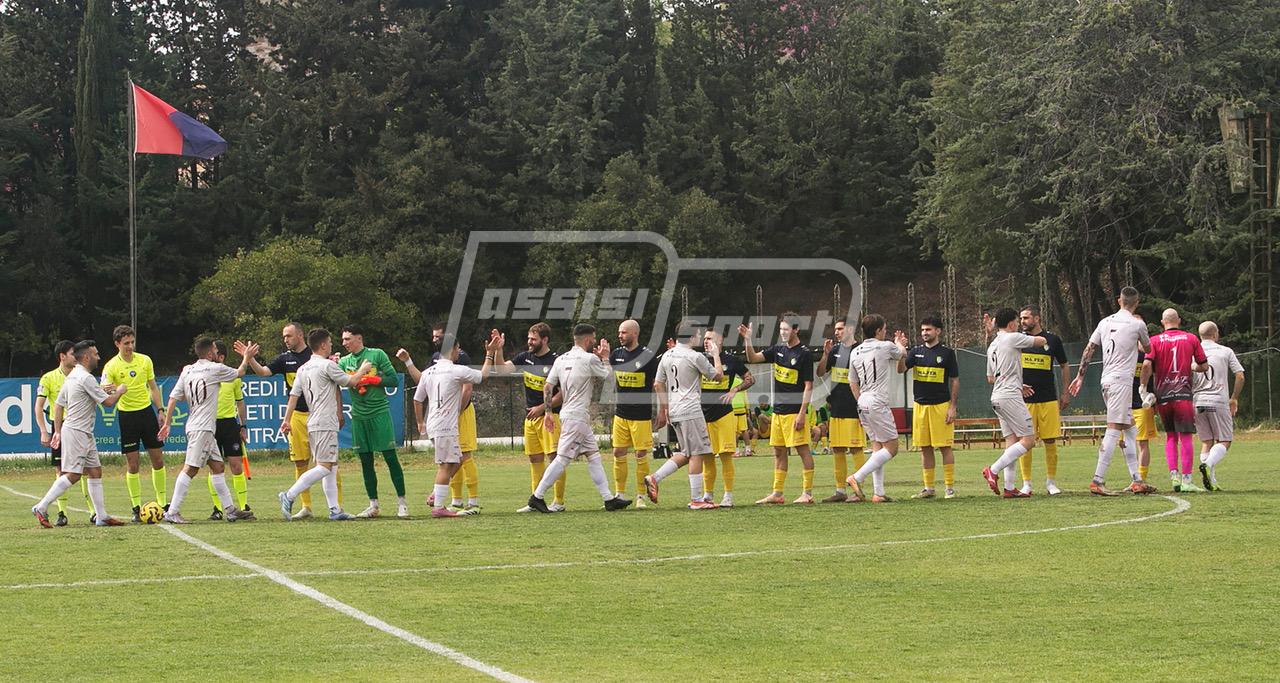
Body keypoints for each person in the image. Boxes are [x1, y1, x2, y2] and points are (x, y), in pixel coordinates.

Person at [524, 324, 632, 513]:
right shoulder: (589, 358)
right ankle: (537, 496)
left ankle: (608, 499)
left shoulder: (562, 358)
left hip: (569, 414)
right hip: (577, 417)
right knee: (562, 459)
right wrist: (606, 358)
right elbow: (609, 378)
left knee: (594, 456)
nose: (595, 342)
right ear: (588, 340)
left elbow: (547, 387)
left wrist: (548, 412)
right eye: (594, 339)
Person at [244, 322, 344, 519]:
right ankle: (306, 507)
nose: (285, 340)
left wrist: (339, 412)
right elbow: (264, 373)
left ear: (300, 335)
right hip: (298, 416)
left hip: (319, 414)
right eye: (284, 337)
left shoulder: (317, 357)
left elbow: (336, 387)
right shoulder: (285, 359)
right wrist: (250, 359)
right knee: (302, 463)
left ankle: (336, 507)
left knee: (329, 464)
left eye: (288, 336)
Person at [277, 328, 375, 521]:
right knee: (324, 466)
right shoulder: (326, 366)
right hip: (324, 422)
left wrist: (286, 419)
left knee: (332, 465)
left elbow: (293, 397)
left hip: (314, 421)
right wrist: (363, 369)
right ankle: (288, 495)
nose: (332, 345)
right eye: (330, 343)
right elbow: (351, 382)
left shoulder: (303, 368)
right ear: (322, 345)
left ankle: (335, 510)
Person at [157, 336, 258, 524]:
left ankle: (230, 510)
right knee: (191, 468)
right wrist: (246, 356)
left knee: (218, 467)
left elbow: (172, 398)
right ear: (211, 352)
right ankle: (172, 511)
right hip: (202, 428)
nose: (216, 352)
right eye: (214, 349)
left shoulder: (187, 370)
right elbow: (241, 371)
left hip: (199, 427)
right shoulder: (215, 368)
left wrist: (168, 423)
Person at [1069, 286, 1158, 496]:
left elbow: (1089, 349)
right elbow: (1148, 349)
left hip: (1107, 380)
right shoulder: (1138, 324)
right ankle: (1097, 480)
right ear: (1136, 303)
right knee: (1114, 427)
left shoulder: (1104, 322)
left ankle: (1137, 480)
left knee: (1129, 428)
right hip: (1121, 382)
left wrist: (1080, 376)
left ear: (1119, 301)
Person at [31, 340, 129, 527]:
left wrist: (58, 431)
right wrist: (121, 391)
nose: (98, 357)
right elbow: (108, 403)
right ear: (86, 357)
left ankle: (101, 516)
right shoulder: (85, 377)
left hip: (82, 432)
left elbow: (59, 405)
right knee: (73, 474)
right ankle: (41, 506)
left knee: (94, 471)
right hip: (77, 432)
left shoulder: (74, 375)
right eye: (96, 354)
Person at [414, 332, 502, 517]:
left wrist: (420, 422)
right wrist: (490, 353)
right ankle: (438, 506)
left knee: (456, 459)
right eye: (457, 348)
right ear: (453, 349)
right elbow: (483, 375)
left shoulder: (428, 372)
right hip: (446, 425)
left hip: (434, 424)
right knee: (447, 465)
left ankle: (436, 495)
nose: (458, 351)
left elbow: (417, 399)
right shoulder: (456, 370)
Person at [399, 323, 480, 511]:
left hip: (460, 412)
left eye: (438, 337)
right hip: (445, 418)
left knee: (463, 455)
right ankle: (452, 500)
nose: (435, 340)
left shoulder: (461, 356)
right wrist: (408, 362)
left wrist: (458, 411)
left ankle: (473, 501)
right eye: (434, 337)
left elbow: (467, 387)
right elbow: (423, 381)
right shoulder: (436, 359)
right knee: (451, 459)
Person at [739, 314, 816, 504]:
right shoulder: (778, 349)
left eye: (786, 329)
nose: (782, 332)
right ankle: (778, 493)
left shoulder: (804, 353)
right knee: (779, 452)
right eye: (781, 329)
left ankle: (807, 493)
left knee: (803, 450)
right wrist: (748, 340)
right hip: (778, 412)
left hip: (794, 412)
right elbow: (753, 358)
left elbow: (808, 386)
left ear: (796, 330)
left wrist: (801, 414)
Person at [100, 325, 169, 523]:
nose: (130, 346)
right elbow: (104, 390)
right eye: (126, 343)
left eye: (132, 342)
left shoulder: (145, 360)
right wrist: (111, 390)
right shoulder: (111, 366)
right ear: (117, 344)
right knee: (133, 463)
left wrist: (161, 410)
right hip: (127, 417)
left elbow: (153, 387)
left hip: (147, 413)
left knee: (158, 460)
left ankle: (163, 504)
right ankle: (136, 508)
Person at [495, 322, 567, 512]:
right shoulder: (525, 357)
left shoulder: (555, 361)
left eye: (533, 339)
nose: (530, 342)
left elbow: (562, 394)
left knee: (555, 459)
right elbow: (502, 370)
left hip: (550, 418)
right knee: (535, 459)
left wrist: (542, 408)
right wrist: (498, 350)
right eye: (529, 338)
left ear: (544, 340)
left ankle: (558, 502)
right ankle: (536, 500)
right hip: (531, 418)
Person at [337, 325, 407, 518]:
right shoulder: (344, 362)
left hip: (379, 412)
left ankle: (402, 503)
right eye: (343, 340)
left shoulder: (377, 355)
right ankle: (373, 505)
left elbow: (393, 380)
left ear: (359, 338)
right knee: (365, 461)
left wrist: (374, 380)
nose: (344, 343)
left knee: (390, 457)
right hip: (359, 416)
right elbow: (342, 382)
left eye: (347, 339)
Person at [979, 309, 1048, 497]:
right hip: (1009, 396)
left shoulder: (992, 345)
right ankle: (993, 470)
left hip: (998, 395)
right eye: (1017, 322)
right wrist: (1034, 334)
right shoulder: (1012, 337)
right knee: (1029, 440)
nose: (1019, 325)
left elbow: (991, 378)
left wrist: (1018, 383)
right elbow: (1041, 341)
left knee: (1012, 441)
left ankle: (1009, 488)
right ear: (1010, 324)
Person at [1141, 309, 1209, 492]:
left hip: (1163, 395)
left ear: (1163, 322)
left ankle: (1174, 478)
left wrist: (1143, 387)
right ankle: (1187, 480)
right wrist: (1192, 365)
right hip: (1183, 394)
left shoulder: (1154, 341)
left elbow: (1147, 364)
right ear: (1178, 320)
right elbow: (1204, 365)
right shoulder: (1191, 338)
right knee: (1186, 437)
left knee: (1171, 436)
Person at [845, 315, 907, 503]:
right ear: (878, 330)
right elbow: (902, 353)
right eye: (885, 329)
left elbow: (852, 382)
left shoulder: (855, 352)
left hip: (862, 400)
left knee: (877, 446)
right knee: (892, 447)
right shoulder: (885, 346)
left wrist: (860, 402)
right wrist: (899, 342)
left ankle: (878, 493)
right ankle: (857, 477)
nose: (885, 332)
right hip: (877, 401)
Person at [899, 316, 960, 499]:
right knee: (925, 447)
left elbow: (955, 380)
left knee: (944, 447)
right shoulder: (915, 352)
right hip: (920, 406)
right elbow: (901, 370)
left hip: (941, 406)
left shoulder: (947, 353)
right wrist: (901, 352)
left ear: (938, 331)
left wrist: (952, 406)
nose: (925, 333)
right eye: (923, 330)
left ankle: (949, 488)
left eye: (929, 330)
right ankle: (929, 488)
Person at [1017, 305, 1071, 496]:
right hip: (1024, 400)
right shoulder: (1019, 340)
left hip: (1048, 398)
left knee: (1050, 440)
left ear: (1037, 318)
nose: (1022, 322)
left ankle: (1050, 482)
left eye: (1026, 318)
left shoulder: (1052, 340)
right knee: (1026, 441)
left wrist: (1065, 392)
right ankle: (1026, 483)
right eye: (1021, 318)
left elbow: (1064, 366)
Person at [697, 328, 752, 507]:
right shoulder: (700, 360)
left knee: (726, 455)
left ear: (720, 341)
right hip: (704, 415)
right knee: (707, 457)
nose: (706, 341)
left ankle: (728, 495)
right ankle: (708, 494)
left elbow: (750, 379)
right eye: (704, 338)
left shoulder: (732, 360)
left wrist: (735, 389)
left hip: (725, 415)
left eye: (710, 338)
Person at [608, 319, 660, 507]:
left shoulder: (648, 356)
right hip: (621, 413)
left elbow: (657, 383)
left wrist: (663, 409)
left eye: (623, 332)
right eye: (619, 332)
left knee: (640, 454)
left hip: (641, 415)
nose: (620, 336)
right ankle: (619, 494)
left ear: (635, 334)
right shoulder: (616, 355)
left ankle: (641, 496)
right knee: (618, 452)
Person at [816, 320, 866, 502]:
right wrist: (825, 354)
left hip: (855, 407)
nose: (836, 332)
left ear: (850, 329)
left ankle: (857, 490)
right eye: (835, 329)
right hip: (836, 407)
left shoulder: (861, 350)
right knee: (837, 448)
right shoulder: (835, 350)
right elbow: (820, 372)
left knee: (855, 448)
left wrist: (863, 405)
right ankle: (840, 491)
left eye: (840, 329)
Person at [34, 340, 83, 526]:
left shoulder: (81, 375)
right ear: (62, 356)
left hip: (79, 424)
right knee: (61, 470)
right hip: (60, 426)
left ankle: (94, 513)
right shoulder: (48, 378)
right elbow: (39, 407)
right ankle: (62, 513)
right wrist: (44, 431)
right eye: (73, 353)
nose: (76, 357)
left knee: (85, 469)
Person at [1192, 321, 1244, 491]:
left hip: (1198, 401)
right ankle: (1208, 465)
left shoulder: (1192, 352)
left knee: (1206, 441)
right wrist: (1234, 398)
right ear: (1215, 335)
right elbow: (1240, 376)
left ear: (1200, 335)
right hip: (1218, 400)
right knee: (1225, 440)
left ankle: (1211, 483)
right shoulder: (1225, 351)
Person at [206, 340, 251, 520]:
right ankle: (217, 508)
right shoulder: (206, 375)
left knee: (236, 466)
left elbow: (240, 402)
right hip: (211, 425)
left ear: (221, 357)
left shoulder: (233, 376)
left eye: (213, 352)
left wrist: (243, 425)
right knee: (214, 468)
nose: (210, 355)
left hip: (230, 425)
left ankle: (243, 505)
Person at [1131, 312, 1159, 483]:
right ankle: (1133, 477)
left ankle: (1141, 479)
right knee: (1123, 443)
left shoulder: (1149, 354)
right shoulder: (1122, 352)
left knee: (1142, 443)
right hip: (1123, 404)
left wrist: (1154, 398)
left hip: (1142, 405)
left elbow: (1156, 377)